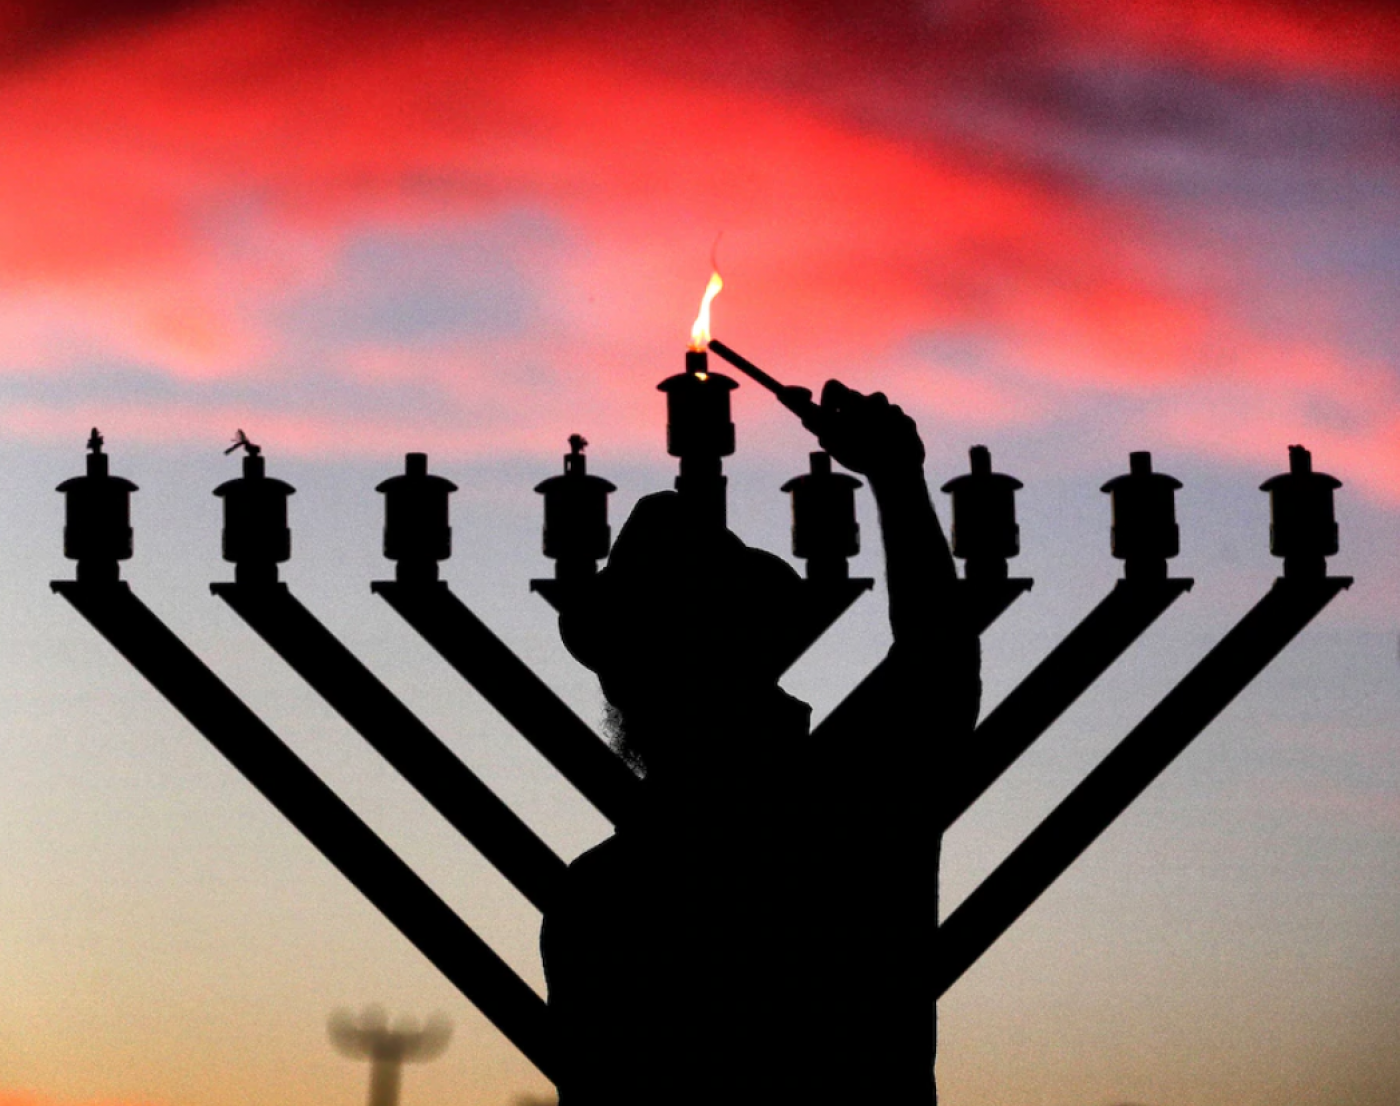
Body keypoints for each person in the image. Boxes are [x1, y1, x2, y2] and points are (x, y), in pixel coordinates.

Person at [541, 381, 980, 1105]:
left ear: (621, 692)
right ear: (761, 657)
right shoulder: (854, 816)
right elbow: (938, 664)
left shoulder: (595, 902)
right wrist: (895, 476)